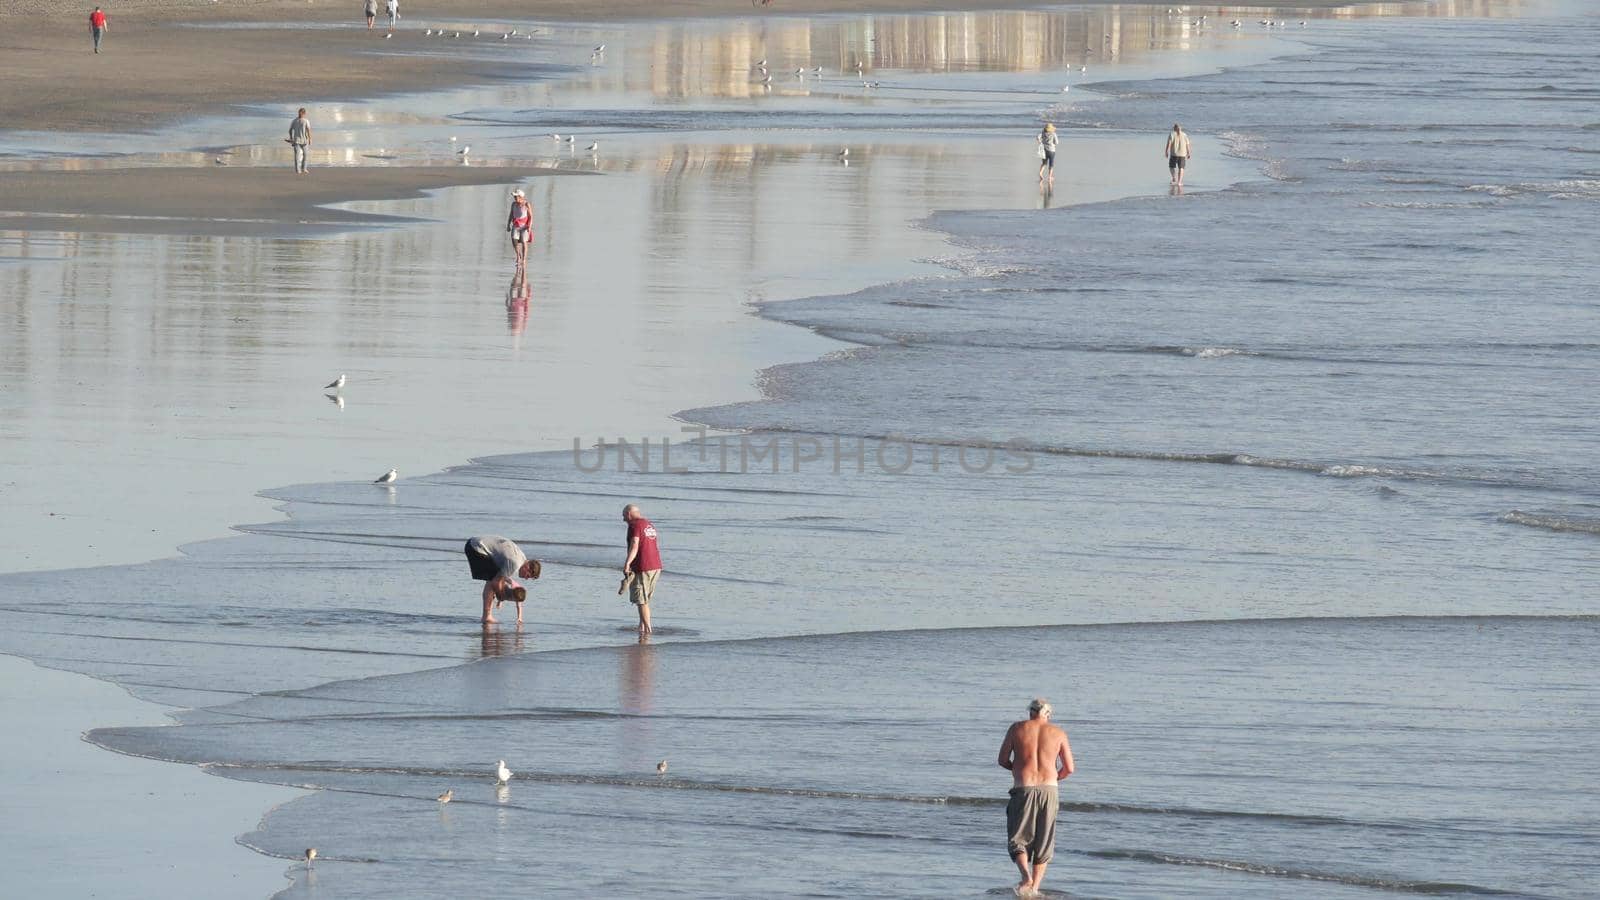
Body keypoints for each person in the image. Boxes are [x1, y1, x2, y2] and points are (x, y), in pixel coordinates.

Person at [997, 698, 1075, 897]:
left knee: (1018, 838)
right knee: (1044, 840)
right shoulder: (1059, 733)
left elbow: (1002, 759)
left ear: (1030, 713)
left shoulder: (1016, 728)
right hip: (1050, 789)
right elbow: (1069, 769)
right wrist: (1055, 778)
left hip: (1024, 787)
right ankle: (1035, 887)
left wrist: (1017, 768)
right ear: (1047, 715)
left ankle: (1025, 876)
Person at [464, 535, 541, 625]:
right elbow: (496, 582)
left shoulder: (522, 557)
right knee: (492, 580)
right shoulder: (515, 563)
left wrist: (499, 591)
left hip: (474, 543)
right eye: (528, 575)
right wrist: (501, 596)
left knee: (493, 579)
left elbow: (500, 579)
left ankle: (487, 616)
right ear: (528, 567)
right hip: (476, 548)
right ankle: (486, 617)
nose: (526, 578)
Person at [619, 504, 662, 635]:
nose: (623, 520)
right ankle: (642, 627)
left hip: (643, 567)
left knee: (641, 600)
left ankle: (648, 630)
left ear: (629, 514)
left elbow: (635, 545)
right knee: (644, 599)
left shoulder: (634, 525)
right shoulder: (649, 525)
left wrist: (627, 563)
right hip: (655, 566)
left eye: (624, 516)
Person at [506, 189, 533, 266]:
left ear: (520, 197)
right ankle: (518, 255)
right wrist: (508, 224)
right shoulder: (513, 204)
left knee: (524, 242)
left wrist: (529, 226)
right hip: (515, 225)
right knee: (514, 240)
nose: (514, 198)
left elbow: (531, 216)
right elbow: (511, 214)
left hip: (524, 226)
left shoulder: (526, 204)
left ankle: (524, 259)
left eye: (516, 196)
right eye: (514, 196)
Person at [288, 108, 312, 175]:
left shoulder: (306, 121)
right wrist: (291, 138)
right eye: (299, 113)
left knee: (306, 155)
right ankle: (298, 170)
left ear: (304, 114)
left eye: (301, 113)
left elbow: (308, 130)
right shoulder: (295, 121)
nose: (300, 114)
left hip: (305, 141)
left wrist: (310, 139)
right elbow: (290, 130)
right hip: (296, 141)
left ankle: (304, 168)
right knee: (297, 156)